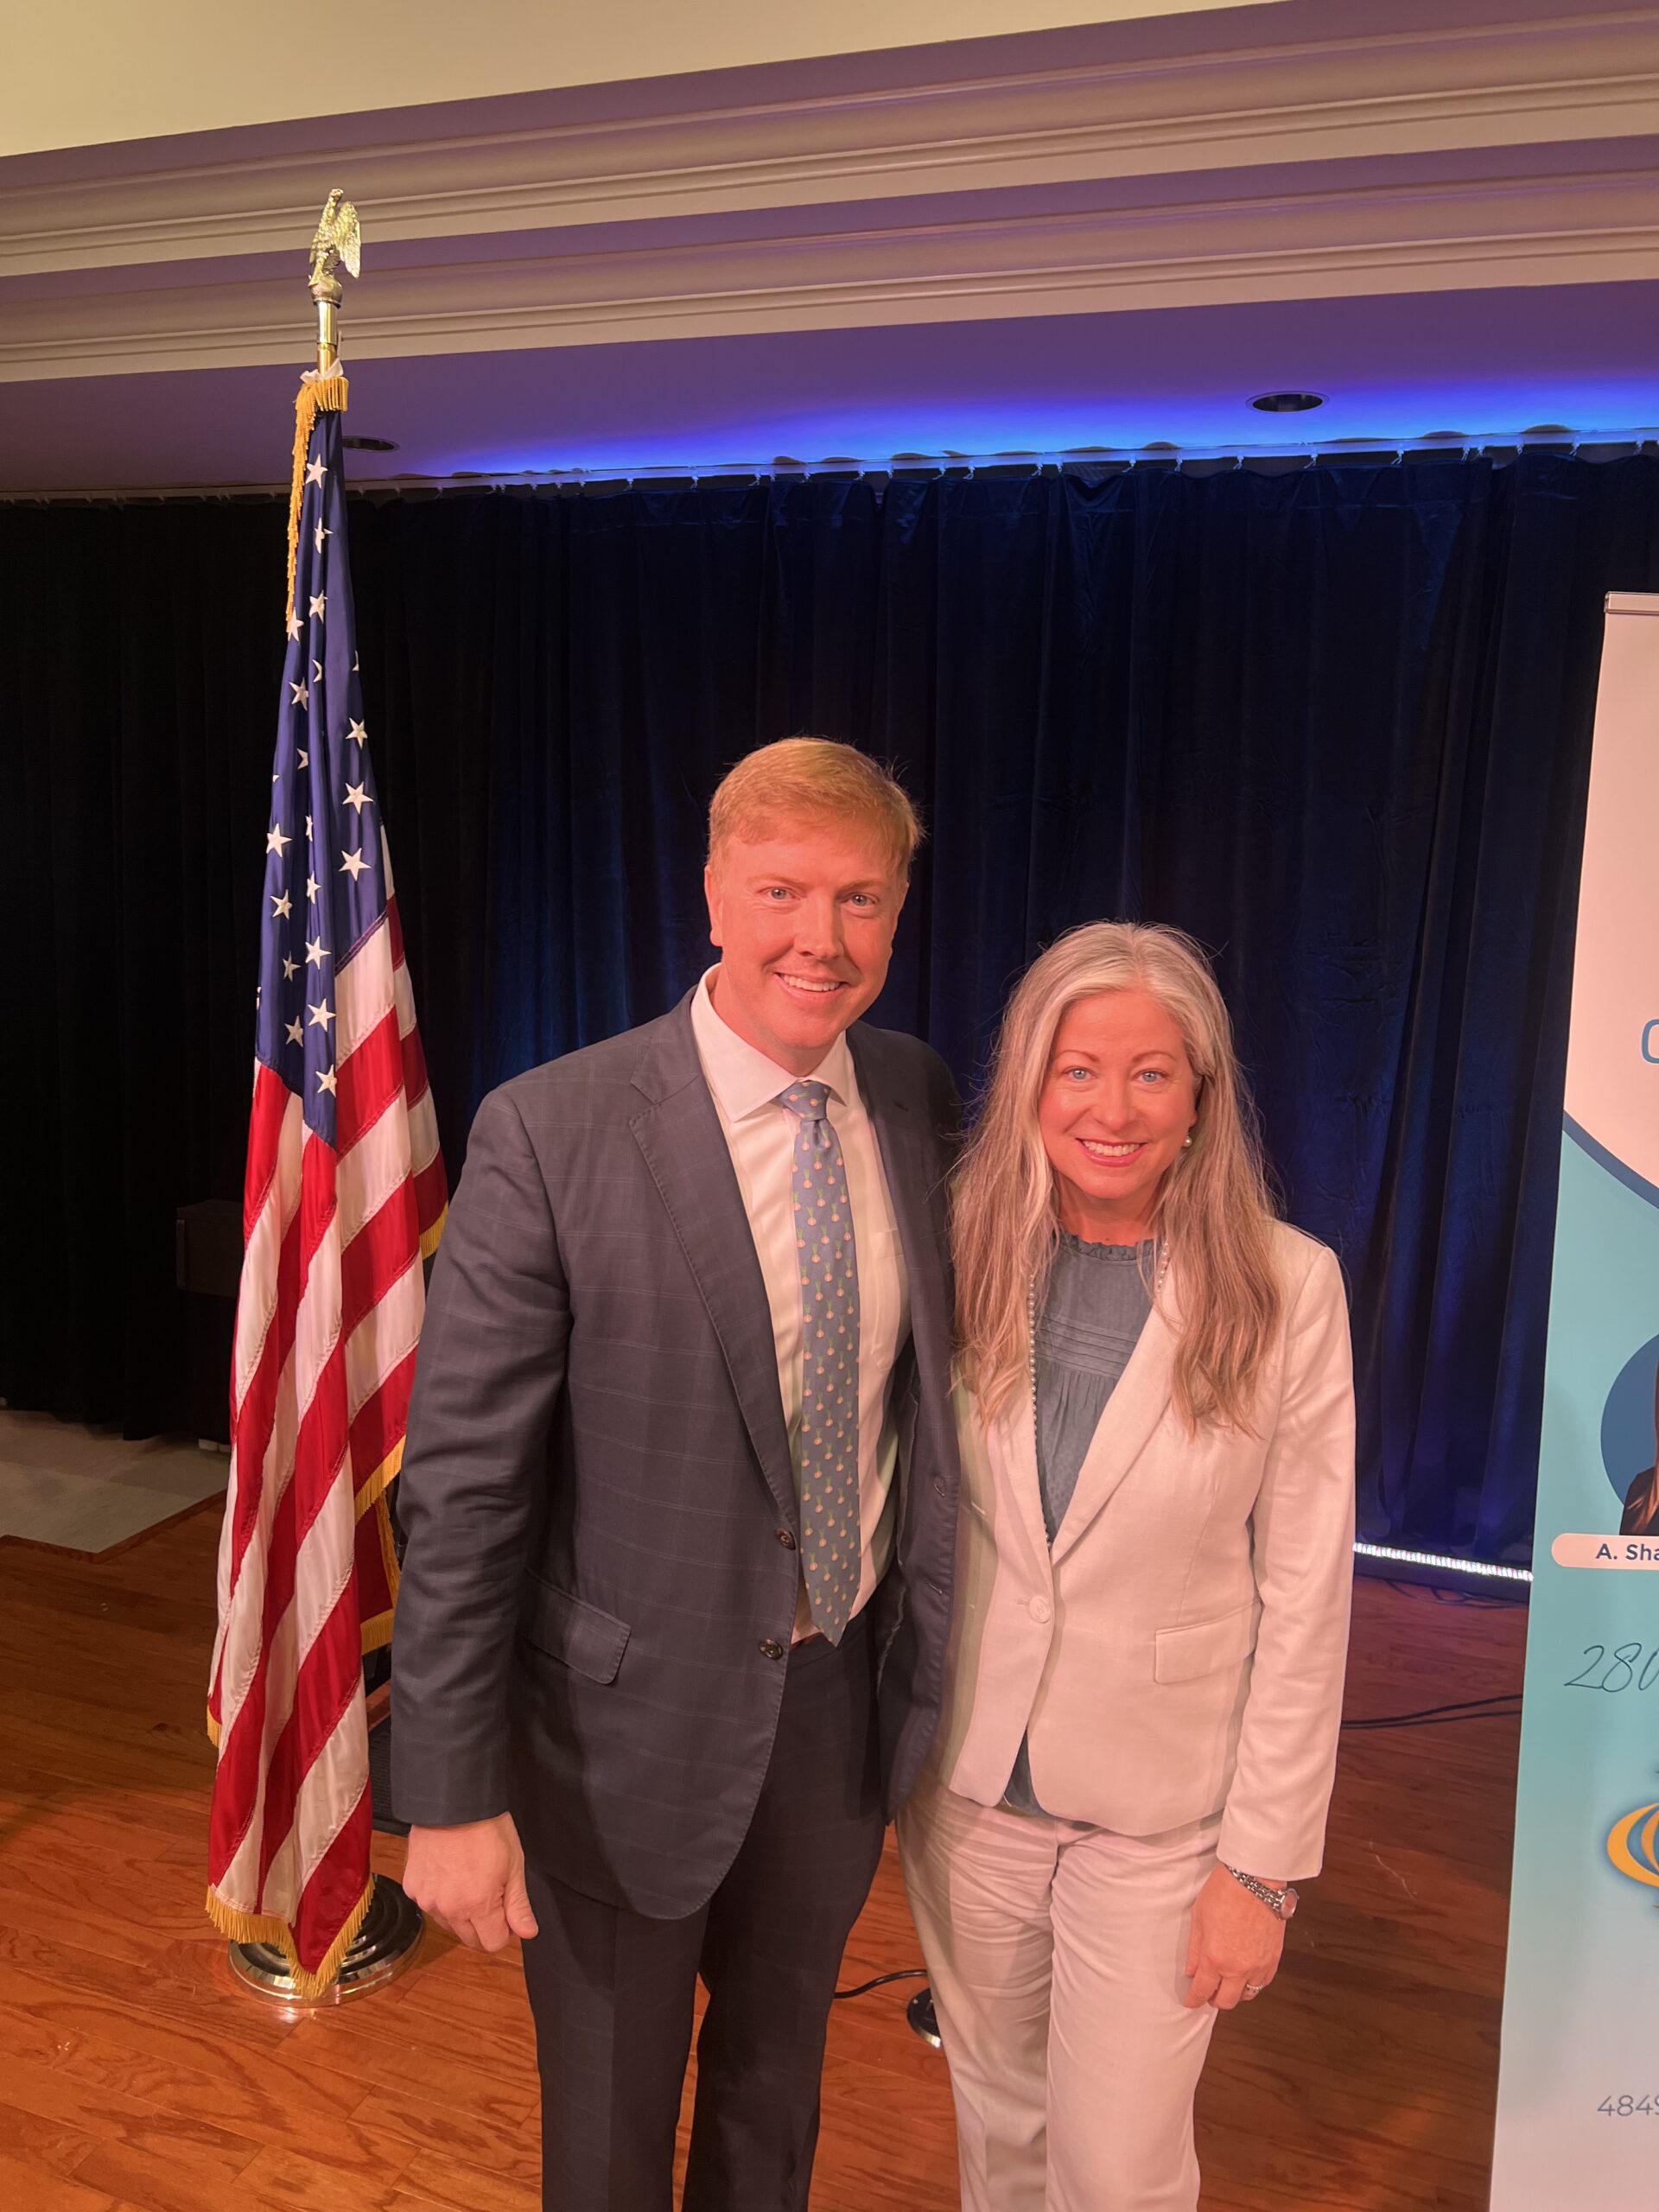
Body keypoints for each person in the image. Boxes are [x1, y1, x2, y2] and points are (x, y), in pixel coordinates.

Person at [390, 736, 960, 2212]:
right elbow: (465, 1492)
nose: (821, 938)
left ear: (897, 914)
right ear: (711, 894)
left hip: (833, 1718)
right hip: (614, 1741)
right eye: (782, 891)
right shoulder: (552, 1129)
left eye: (860, 899)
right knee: (608, 2139)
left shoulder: (916, 1097)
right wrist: (446, 1792)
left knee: (774, 2109)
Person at [899, 920, 1355, 2212]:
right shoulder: (955, 1247)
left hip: (1164, 1824)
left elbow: (1308, 1601)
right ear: (1030, 1085)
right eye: (1079, 1070)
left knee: (1118, 2173)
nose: (1112, 1109)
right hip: (969, 1797)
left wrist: (1263, 1868)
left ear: (1200, 1099)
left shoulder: (1288, 1288)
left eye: (1151, 1073)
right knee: (1000, 2129)